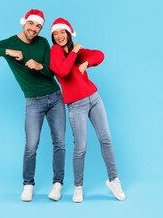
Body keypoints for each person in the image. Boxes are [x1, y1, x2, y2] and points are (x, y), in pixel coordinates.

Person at [0, 10, 66, 202]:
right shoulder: (10, 43)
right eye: (31, 24)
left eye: (38, 26)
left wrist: (39, 66)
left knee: (59, 142)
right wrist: (6, 52)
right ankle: (28, 185)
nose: (34, 29)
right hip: (33, 101)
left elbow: (52, 72)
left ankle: (58, 183)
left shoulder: (42, 43)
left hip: (55, 97)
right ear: (24, 22)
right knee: (31, 144)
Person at [49, 18, 126, 203]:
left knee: (106, 139)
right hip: (76, 105)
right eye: (55, 33)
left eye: (62, 32)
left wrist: (87, 62)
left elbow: (99, 55)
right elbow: (64, 70)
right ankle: (78, 187)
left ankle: (114, 180)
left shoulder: (77, 51)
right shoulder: (56, 52)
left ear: (68, 33)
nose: (59, 36)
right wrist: (75, 53)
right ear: (53, 37)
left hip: (94, 98)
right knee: (80, 147)